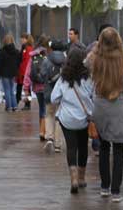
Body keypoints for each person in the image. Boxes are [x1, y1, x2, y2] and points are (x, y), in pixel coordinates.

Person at [88, 27, 123, 203]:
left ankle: (104, 187)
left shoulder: (94, 58)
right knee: (118, 149)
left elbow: (85, 68)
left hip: (99, 104)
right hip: (118, 105)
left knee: (103, 146)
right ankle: (116, 191)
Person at [51, 48, 94, 194]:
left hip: (67, 119)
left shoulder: (63, 79)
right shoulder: (89, 78)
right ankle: (81, 178)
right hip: (83, 118)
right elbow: (94, 96)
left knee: (71, 148)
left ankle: (73, 179)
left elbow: (53, 98)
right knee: (83, 147)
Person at [24, 34, 51, 141]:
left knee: (42, 108)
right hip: (48, 86)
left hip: (37, 87)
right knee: (48, 109)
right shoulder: (49, 54)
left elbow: (28, 73)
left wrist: (26, 88)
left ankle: (41, 131)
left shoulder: (34, 56)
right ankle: (45, 131)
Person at [42, 40, 67, 154]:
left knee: (49, 115)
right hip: (62, 94)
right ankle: (58, 144)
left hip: (48, 93)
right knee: (59, 118)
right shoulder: (66, 60)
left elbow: (42, 74)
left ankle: (49, 138)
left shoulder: (47, 59)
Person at [0, 35, 21, 112]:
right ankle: (15, 106)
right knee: (12, 90)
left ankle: (9, 107)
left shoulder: (2, 51)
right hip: (13, 73)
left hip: (4, 73)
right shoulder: (16, 51)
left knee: (7, 90)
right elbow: (18, 62)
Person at [17, 34, 34, 110]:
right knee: (26, 89)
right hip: (23, 72)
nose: (22, 40)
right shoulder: (24, 48)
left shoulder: (28, 48)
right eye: (21, 39)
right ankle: (27, 104)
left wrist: (24, 72)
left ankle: (27, 104)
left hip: (24, 72)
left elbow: (26, 61)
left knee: (27, 90)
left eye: (23, 39)